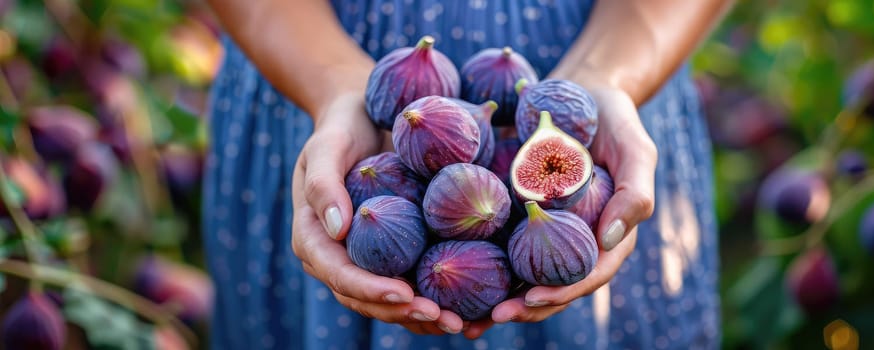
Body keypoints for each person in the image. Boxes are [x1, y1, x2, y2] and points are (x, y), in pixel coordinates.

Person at [202, 0, 731, 349]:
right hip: (305, 72)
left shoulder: (555, 142)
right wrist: (340, 91)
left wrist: (605, 77)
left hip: (619, 59)